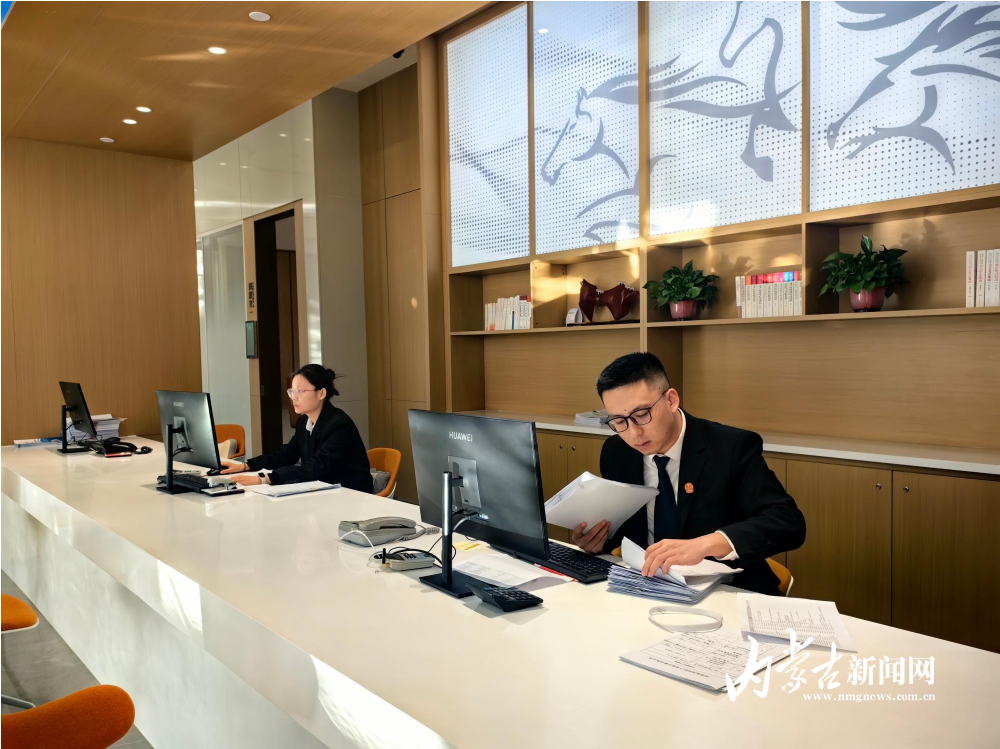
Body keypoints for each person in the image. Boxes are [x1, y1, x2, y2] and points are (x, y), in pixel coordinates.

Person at [572, 352, 806, 596]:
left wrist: (707, 543)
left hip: (727, 590)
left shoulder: (731, 447)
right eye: (619, 421)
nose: (633, 433)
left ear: (671, 400)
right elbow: (624, 531)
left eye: (641, 415)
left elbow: (787, 522)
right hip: (648, 587)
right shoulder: (616, 451)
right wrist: (596, 541)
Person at [222, 364, 373, 494]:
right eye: (292, 391)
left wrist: (264, 478)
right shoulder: (304, 422)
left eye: (300, 391)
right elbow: (286, 455)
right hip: (322, 491)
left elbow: (315, 467)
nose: (293, 397)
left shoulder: (339, 425)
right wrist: (246, 466)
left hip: (350, 495)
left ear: (321, 393)